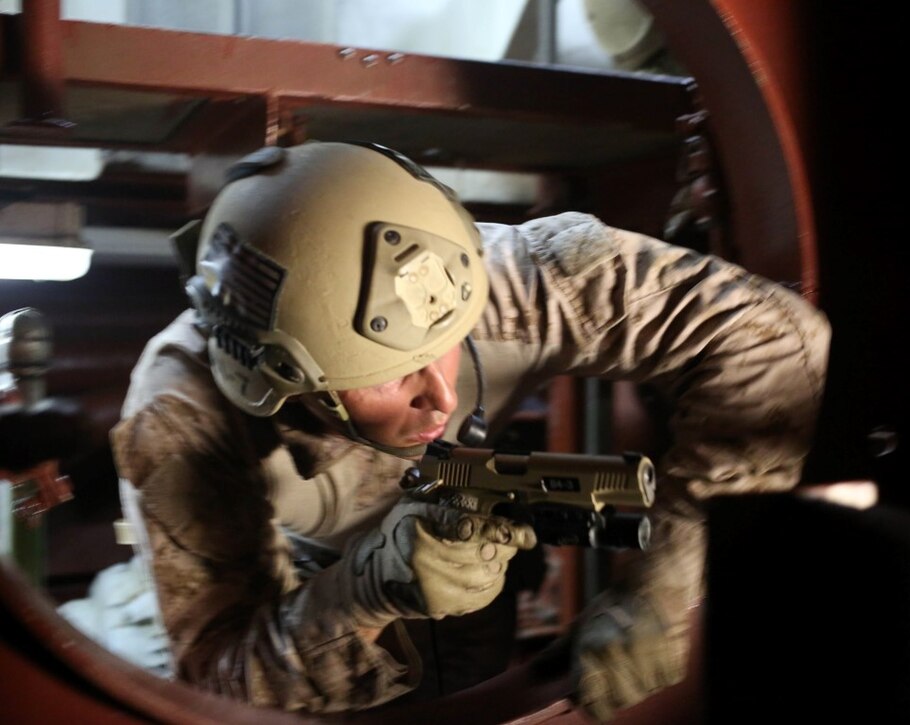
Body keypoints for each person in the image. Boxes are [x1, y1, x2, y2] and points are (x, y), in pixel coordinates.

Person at [110, 142, 830, 719]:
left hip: (474, 583)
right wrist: (364, 592)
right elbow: (217, 685)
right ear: (281, 381)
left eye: (449, 341)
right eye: (392, 373)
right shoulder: (177, 419)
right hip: (313, 606)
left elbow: (779, 341)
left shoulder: (493, 272)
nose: (442, 394)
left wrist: (666, 590)